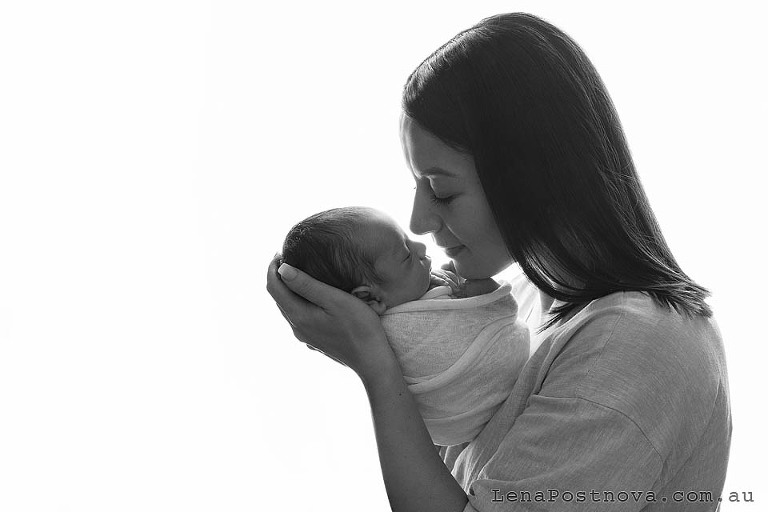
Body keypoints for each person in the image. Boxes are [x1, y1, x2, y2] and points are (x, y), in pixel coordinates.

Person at [267, 12, 731, 512]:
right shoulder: (519, 305)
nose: (419, 222)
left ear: (531, 176)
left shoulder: (634, 345)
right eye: (417, 186)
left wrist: (376, 366)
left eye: (442, 191)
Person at [281, 206, 531, 446]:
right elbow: (495, 306)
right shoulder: (408, 326)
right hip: (498, 375)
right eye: (406, 255)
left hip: (447, 431)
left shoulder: (369, 339)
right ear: (369, 297)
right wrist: (471, 287)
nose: (422, 247)